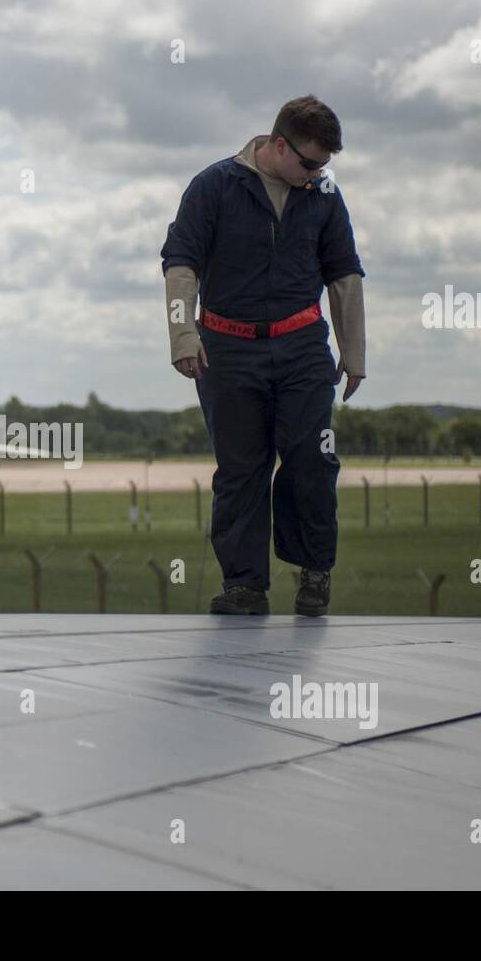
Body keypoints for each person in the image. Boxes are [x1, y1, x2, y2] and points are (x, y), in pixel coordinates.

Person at [160, 95, 366, 617]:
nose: (318, 173)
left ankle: (314, 573)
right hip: (226, 350)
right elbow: (181, 264)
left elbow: (343, 273)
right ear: (278, 144)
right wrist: (183, 335)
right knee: (240, 469)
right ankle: (245, 585)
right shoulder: (213, 186)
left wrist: (353, 351)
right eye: (310, 162)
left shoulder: (323, 194)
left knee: (311, 460)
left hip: (301, 349)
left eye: (325, 165)